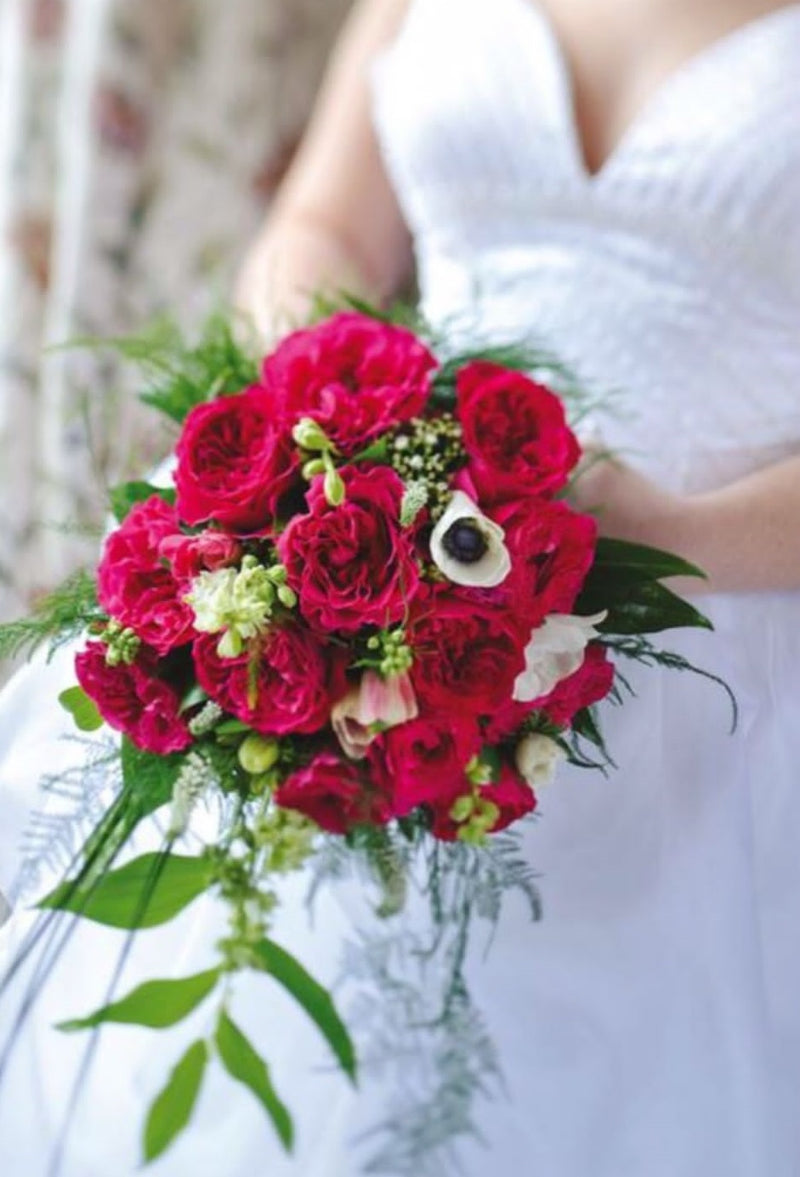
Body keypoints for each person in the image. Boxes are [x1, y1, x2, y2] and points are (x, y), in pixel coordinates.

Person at [2, 0, 800, 1172]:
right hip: (374, 518)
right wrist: (326, 415)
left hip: (715, 634)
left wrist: (660, 534)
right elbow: (319, 224)